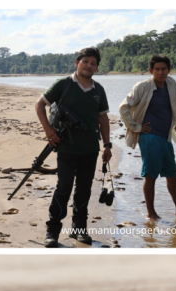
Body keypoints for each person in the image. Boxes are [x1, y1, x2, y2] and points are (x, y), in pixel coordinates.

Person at [35, 47, 112, 248]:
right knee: (63, 188)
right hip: (66, 148)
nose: (89, 66)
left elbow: (103, 118)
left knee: (84, 190)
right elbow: (39, 104)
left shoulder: (98, 90)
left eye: (93, 63)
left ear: (96, 67)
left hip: (89, 148)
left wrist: (107, 145)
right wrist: (49, 130)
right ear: (77, 63)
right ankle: (52, 232)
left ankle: (79, 230)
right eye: (85, 61)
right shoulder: (64, 84)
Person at [119, 54, 176, 220]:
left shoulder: (171, 83)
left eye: (164, 69)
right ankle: (151, 212)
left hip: (166, 137)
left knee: (172, 174)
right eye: (157, 69)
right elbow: (123, 107)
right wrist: (136, 127)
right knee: (151, 175)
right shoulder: (142, 86)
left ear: (169, 70)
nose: (160, 72)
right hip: (149, 137)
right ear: (151, 71)